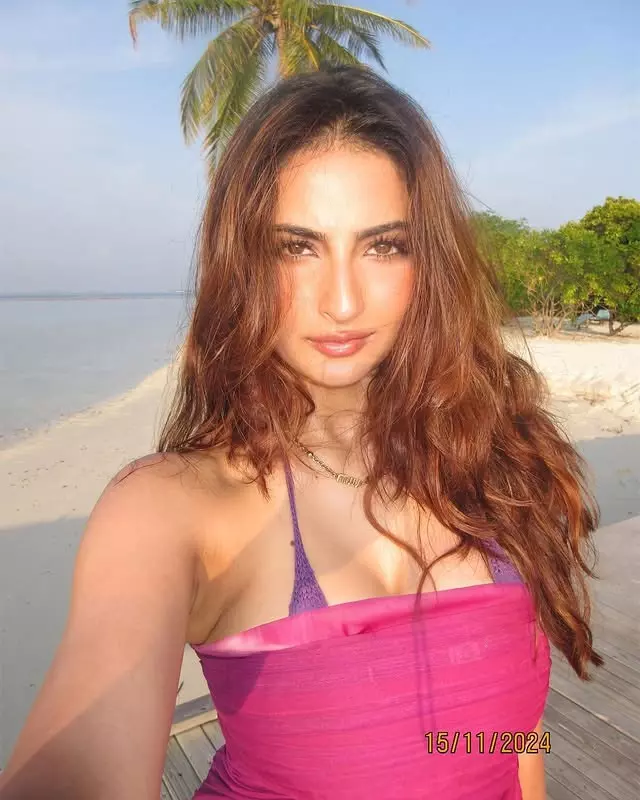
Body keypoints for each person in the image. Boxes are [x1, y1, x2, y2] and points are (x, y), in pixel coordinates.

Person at [0, 66, 602, 800]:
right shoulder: (172, 507)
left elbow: (513, 739)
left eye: (383, 246)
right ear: (243, 262)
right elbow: (80, 764)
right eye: (296, 247)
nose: (341, 301)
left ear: (429, 260)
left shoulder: (500, 463)